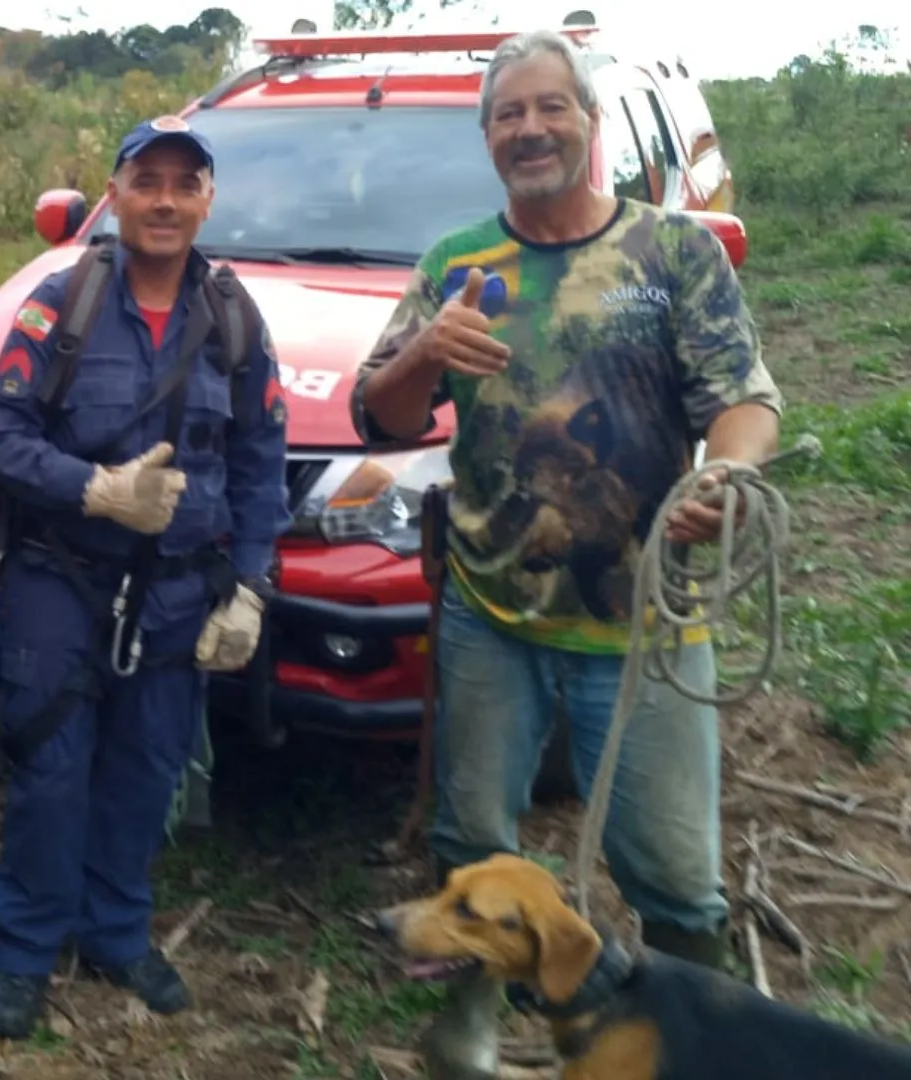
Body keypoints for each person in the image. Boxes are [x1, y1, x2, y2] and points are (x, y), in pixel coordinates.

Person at [351, 29, 783, 1080]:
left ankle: (687, 1042)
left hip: (646, 619)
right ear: (488, 137)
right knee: (471, 835)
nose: (532, 128)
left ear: (590, 122)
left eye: (553, 107)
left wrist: (724, 477)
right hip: (491, 612)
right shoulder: (456, 265)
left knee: (673, 873)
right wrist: (424, 351)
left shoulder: (671, 252)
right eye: (510, 113)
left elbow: (743, 400)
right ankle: (467, 1023)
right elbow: (380, 416)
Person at [0, 115, 290, 1039]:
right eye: (147, 181)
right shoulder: (61, 302)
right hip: (60, 580)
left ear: (208, 201)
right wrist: (95, 489)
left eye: (186, 184)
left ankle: (114, 933)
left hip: (181, 593)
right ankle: (25, 949)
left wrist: (251, 586)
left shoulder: (234, 316)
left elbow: (261, 461)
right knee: (51, 768)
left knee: (148, 771)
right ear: (113, 195)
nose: (165, 201)